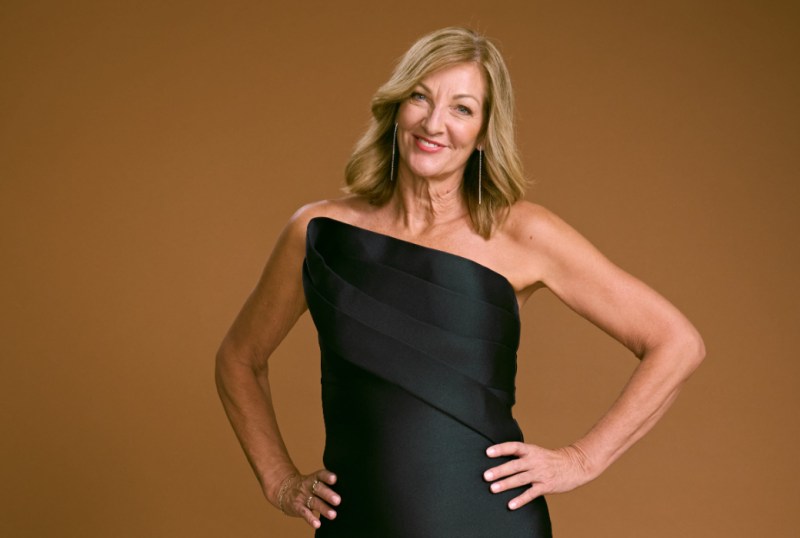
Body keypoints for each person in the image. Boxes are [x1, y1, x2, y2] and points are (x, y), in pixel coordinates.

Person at [215, 27, 705, 537]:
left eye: (462, 108)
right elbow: (239, 359)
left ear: (485, 132)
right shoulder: (317, 233)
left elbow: (677, 343)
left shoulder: (521, 233)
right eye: (420, 97)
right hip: (357, 524)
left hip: (489, 522)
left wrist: (582, 459)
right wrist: (279, 481)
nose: (434, 123)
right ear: (396, 107)